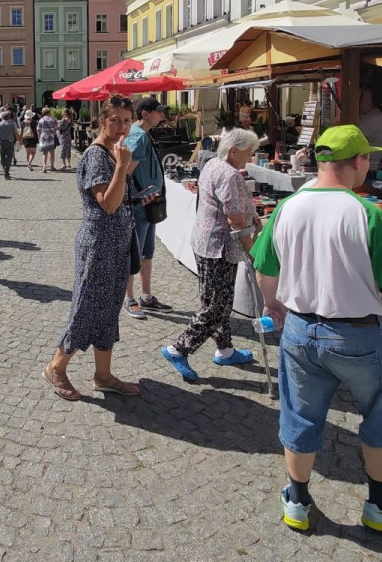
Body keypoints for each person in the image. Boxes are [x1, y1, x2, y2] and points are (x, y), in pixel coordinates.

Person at [250, 124, 382, 533]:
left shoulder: (287, 208)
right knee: (379, 417)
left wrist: (273, 307)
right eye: (368, 159)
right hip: (358, 335)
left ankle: (297, 498)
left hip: (299, 331)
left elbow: (264, 273)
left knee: (300, 416)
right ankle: (380, 505)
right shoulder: (366, 214)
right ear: (359, 161)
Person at [44, 94, 140, 400]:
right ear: (103, 120)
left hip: (117, 244)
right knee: (85, 308)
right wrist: (123, 167)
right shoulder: (97, 156)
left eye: (127, 120)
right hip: (98, 243)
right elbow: (108, 204)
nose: (122, 127)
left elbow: (120, 196)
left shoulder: (114, 151)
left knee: (109, 309)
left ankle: (103, 374)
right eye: (116, 120)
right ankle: (56, 368)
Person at [161, 128, 258, 382]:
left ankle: (225, 350)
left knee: (215, 301)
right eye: (249, 153)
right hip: (220, 247)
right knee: (217, 305)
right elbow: (235, 219)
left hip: (206, 242)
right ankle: (179, 349)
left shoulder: (213, 164)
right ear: (234, 150)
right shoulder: (229, 174)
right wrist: (252, 252)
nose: (251, 157)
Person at [123, 98, 170, 317]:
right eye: (158, 112)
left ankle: (146, 296)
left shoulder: (143, 134)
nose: (162, 115)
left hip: (149, 204)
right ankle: (129, 298)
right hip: (140, 205)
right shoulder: (138, 136)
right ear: (145, 113)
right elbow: (126, 172)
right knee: (134, 254)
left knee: (147, 253)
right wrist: (134, 197)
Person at [358, 87, 382, 171]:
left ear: (368, 98)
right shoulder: (372, 116)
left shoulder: (374, 118)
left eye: (360, 99)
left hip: (368, 170)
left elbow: (349, 138)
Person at [0, 110, 19, 179]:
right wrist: (19, 139)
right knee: (9, 157)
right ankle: (6, 171)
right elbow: (15, 133)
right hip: (10, 142)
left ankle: (4, 170)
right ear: (8, 116)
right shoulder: (12, 124)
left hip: (1, 142)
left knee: (2, 157)